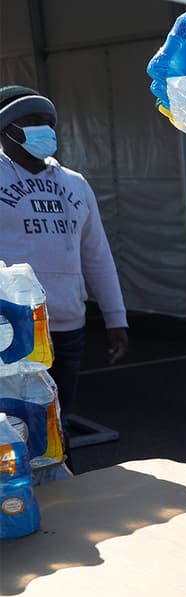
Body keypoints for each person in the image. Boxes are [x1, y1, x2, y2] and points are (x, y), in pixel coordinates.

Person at [0, 85, 129, 416]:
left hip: (68, 323)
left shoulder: (75, 183)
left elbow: (97, 255)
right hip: (10, 330)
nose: (45, 129)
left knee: (58, 417)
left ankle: (63, 465)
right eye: (32, 120)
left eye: (49, 122)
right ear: (7, 130)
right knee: (15, 423)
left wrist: (116, 317)